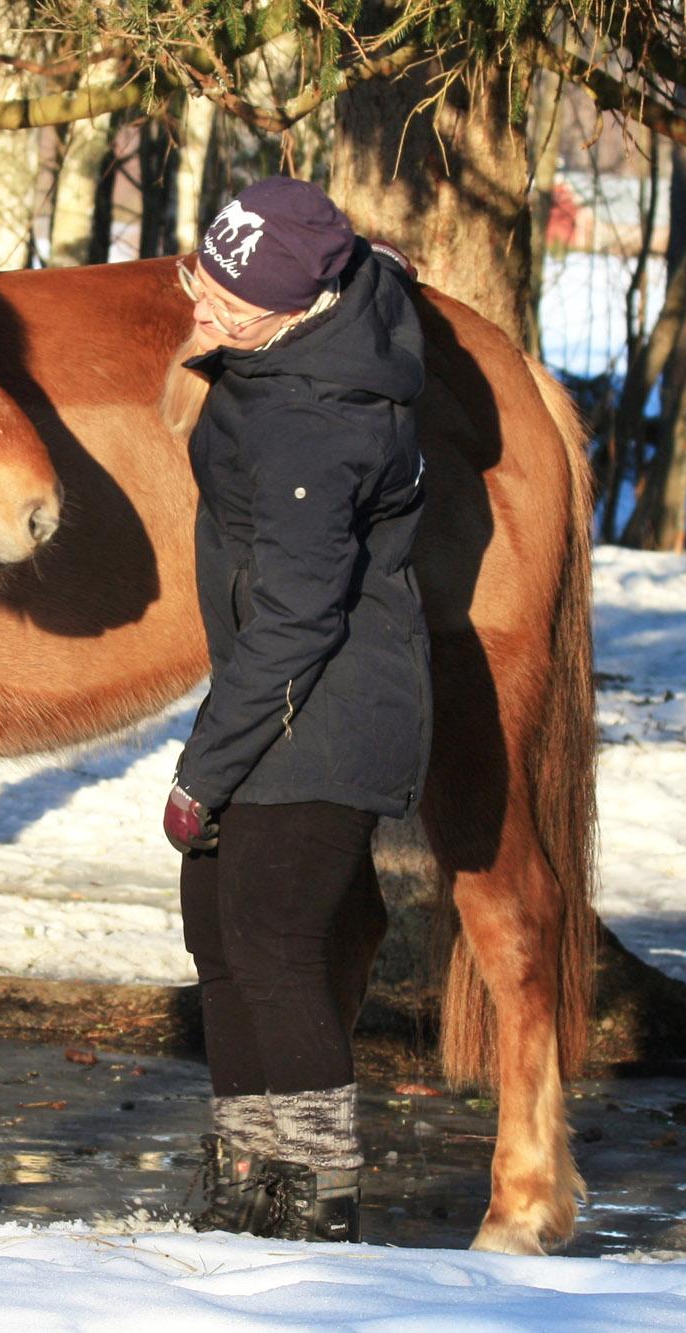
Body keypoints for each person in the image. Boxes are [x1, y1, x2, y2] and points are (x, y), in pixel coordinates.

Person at [162, 177, 430, 1243]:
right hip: (272, 700)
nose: (206, 321)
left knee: (272, 944)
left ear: (301, 309)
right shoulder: (295, 350)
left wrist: (200, 774)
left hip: (325, 710)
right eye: (201, 288)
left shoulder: (318, 423)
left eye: (232, 313)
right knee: (218, 939)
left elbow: (295, 626)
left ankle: (316, 1205)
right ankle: (246, 1182)